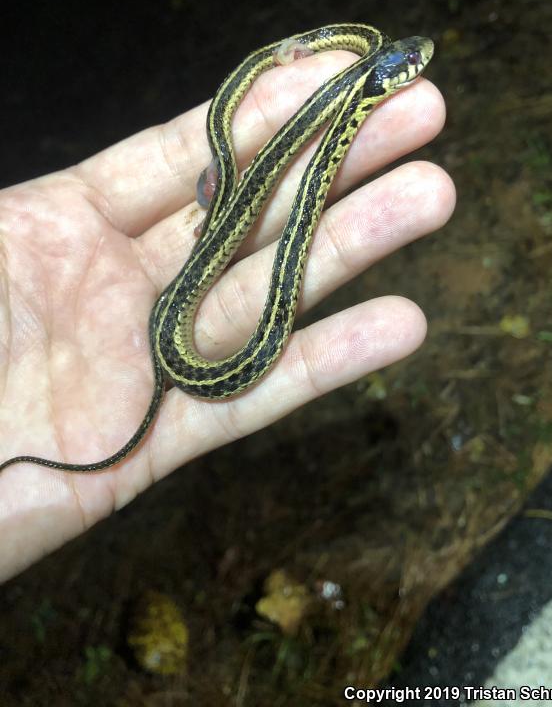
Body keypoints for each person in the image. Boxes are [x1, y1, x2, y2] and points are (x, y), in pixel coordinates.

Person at [0, 48, 452, 582]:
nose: (418, 59)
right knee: (286, 225)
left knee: (296, 216)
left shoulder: (355, 100)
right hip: (201, 328)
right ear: (385, 77)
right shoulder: (352, 98)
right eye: (409, 64)